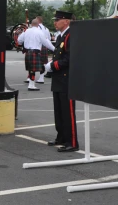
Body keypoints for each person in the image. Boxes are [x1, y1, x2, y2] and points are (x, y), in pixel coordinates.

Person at [44, 10, 79, 152]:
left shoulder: (71, 36)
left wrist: (53, 65)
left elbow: (70, 59)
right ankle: (61, 137)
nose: (55, 22)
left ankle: (72, 141)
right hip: (58, 79)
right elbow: (59, 56)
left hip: (67, 79)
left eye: (58, 20)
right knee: (58, 111)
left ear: (66, 21)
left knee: (67, 111)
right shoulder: (61, 37)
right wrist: (51, 64)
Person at [17, 18, 55, 91]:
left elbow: (19, 40)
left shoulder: (26, 31)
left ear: (31, 24)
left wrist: (23, 42)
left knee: (31, 69)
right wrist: (54, 49)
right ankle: (31, 85)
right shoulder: (40, 32)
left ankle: (31, 84)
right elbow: (46, 42)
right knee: (33, 69)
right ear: (38, 24)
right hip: (35, 52)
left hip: (28, 52)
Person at [34, 16, 51, 84]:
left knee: (35, 63)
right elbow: (49, 38)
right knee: (42, 63)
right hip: (45, 46)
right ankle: (41, 78)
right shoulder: (46, 29)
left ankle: (31, 79)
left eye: (35, 19)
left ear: (38, 20)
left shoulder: (37, 27)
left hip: (38, 46)